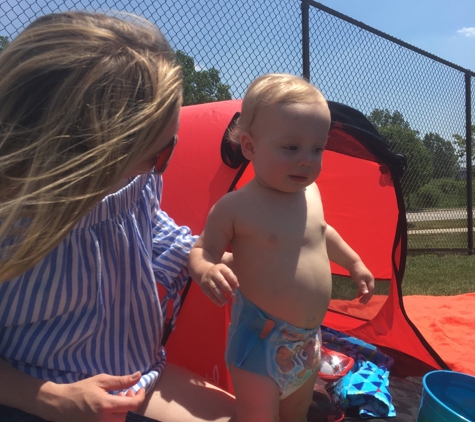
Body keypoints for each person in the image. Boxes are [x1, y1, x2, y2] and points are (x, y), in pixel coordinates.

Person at [0, 11, 236, 422]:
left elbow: (149, 228)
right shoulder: (11, 219)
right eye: (156, 154)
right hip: (36, 390)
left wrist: (201, 254)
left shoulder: (133, 183)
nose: (161, 167)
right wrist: (49, 398)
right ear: (83, 153)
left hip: (137, 374)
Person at [188, 73, 375, 422]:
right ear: (250, 146)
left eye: (317, 149)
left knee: (297, 413)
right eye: (291, 147)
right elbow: (202, 250)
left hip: (307, 343)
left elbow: (322, 232)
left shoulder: (311, 194)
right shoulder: (236, 207)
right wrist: (207, 270)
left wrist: (354, 262)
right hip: (260, 344)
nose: (307, 159)